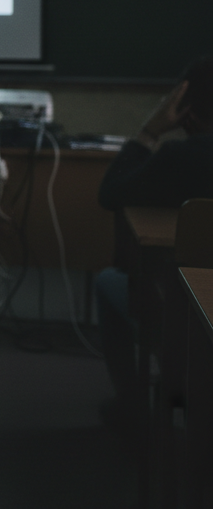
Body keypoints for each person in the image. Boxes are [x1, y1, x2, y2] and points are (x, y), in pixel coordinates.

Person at [94, 57, 213, 422]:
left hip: (191, 317)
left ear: (186, 112)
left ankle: (131, 405)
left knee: (108, 282)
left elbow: (111, 193)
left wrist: (148, 133)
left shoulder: (183, 158)